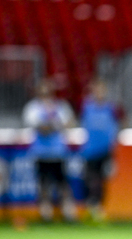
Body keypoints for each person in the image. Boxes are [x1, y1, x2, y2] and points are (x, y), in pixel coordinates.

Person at [23, 78, 76, 222]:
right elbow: (41, 128)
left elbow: (70, 122)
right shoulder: (33, 107)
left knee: (63, 184)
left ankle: (68, 213)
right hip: (41, 152)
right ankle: (45, 213)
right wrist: (56, 125)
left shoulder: (60, 106)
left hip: (58, 152)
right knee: (43, 184)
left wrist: (52, 125)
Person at [79, 78, 124, 221]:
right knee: (90, 179)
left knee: (102, 181)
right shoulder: (87, 106)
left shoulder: (110, 108)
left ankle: (98, 208)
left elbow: (120, 123)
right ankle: (91, 207)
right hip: (90, 150)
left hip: (106, 151)